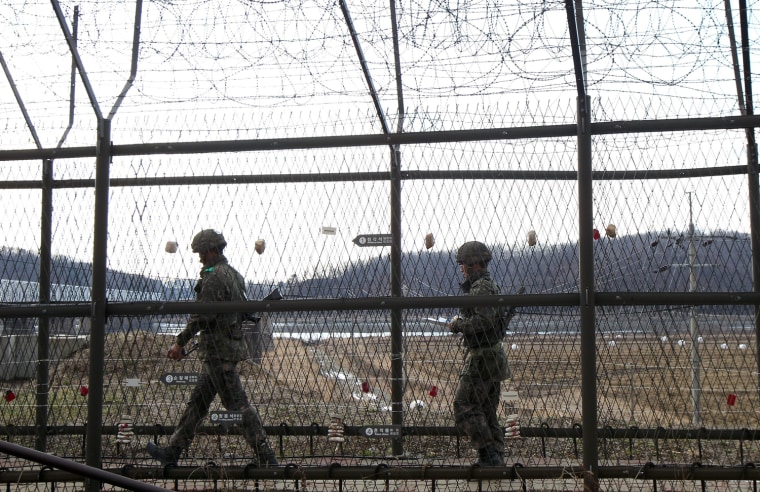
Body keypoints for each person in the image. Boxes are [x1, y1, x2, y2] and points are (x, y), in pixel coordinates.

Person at [146, 229, 278, 467]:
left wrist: (180, 342)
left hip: (219, 353)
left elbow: (201, 316)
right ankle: (173, 452)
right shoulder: (234, 275)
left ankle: (266, 456)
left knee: (237, 406)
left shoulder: (214, 277)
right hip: (223, 350)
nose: (199, 258)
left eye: (201, 253)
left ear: (211, 250)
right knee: (198, 403)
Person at [448, 241, 511, 467]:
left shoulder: (481, 288)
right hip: (491, 357)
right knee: (486, 410)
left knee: (464, 405)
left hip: (482, 358)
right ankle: (495, 458)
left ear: (473, 264)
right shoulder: (486, 285)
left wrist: (458, 325)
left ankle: (489, 455)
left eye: (463, 264)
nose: (461, 268)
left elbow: (484, 321)